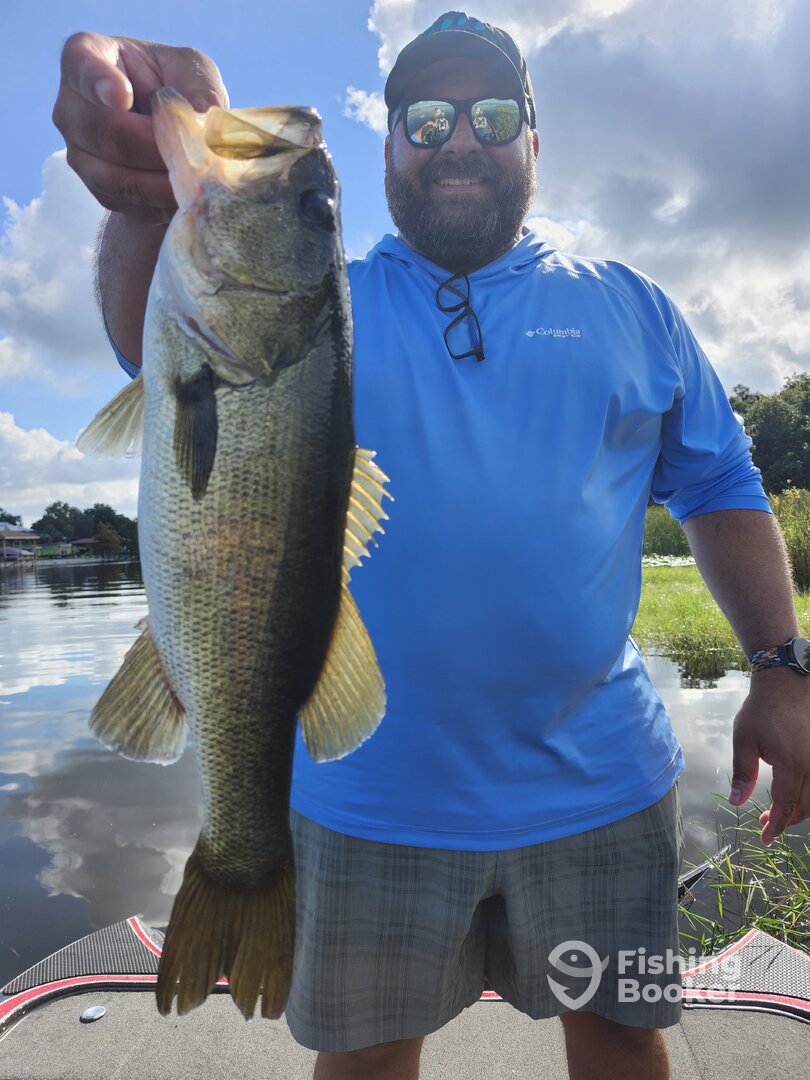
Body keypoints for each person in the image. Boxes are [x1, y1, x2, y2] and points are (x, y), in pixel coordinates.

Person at [53, 11, 810, 1080]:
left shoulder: (634, 308)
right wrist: (143, 202)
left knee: (623, 1037)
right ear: (389, 149)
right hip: (362, 802)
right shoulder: (331, 305)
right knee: (363, 1062)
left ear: (533, 142)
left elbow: (721, 484)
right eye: (425, 118)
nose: (459, 137)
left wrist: (779, 666)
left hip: (606, 789)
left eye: (491, 115)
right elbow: (153, 340)